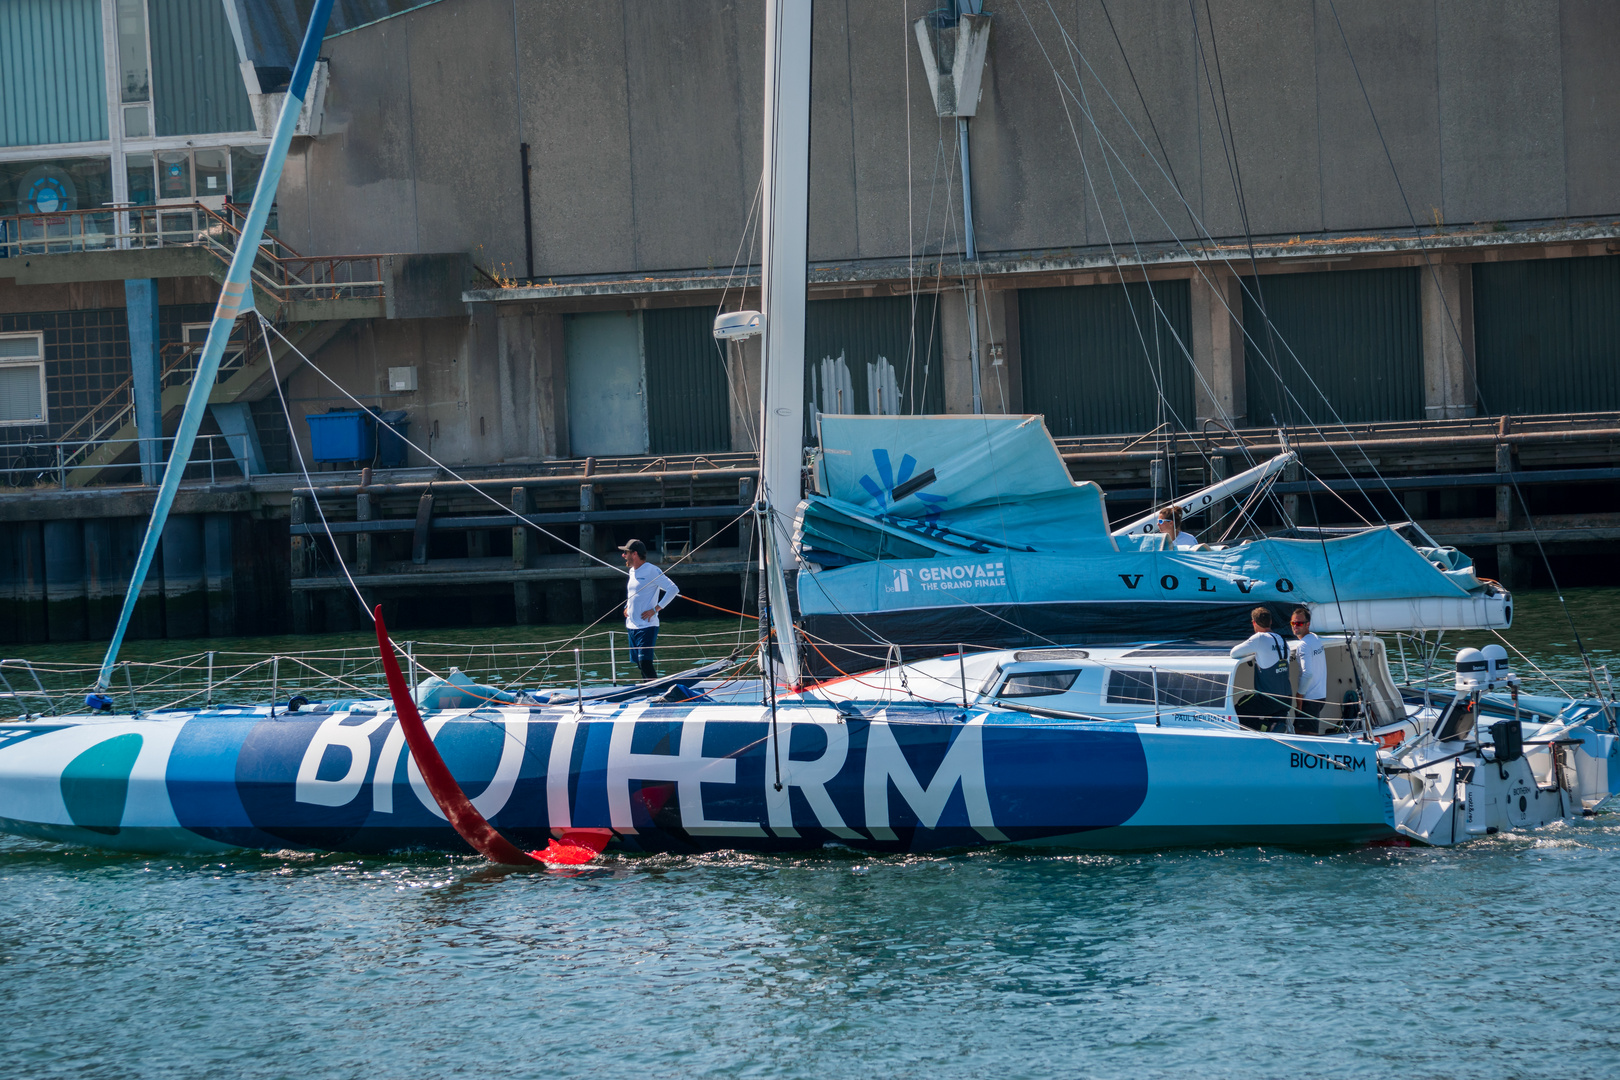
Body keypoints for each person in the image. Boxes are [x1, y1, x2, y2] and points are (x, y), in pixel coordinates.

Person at [620, 538, 680, 680]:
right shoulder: (632, 572)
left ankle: (656, 692)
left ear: (634, 554)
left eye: (625, 553)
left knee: (645, 662)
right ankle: (648, 692)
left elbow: (673, 589)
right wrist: (626, 606)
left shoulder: (652, 570)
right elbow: (633, 593)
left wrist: (656, 609)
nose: (623, 556)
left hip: (647, 625)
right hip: (632, 625)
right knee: (639, 664)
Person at [1230, 607, 1290, 731]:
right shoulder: (1282, 640)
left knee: (1239, 710)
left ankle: (1267, 728)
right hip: (1287, 698)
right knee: (1278, 731)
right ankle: (1274, 727)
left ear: (1254, 623)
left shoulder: (1260, 638)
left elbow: (1234, 653)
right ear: (1271, 621)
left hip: (1268, 699)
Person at [1289, 606, 1328, 735]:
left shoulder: (1303, 645)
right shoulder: (1315, 638)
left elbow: (1308, 673)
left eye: (1299, 623)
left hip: (1309, 699)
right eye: (1293, 623)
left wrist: (1299, 696)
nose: (1295, 626)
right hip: (1320, 696)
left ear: (1308, 624)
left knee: (1305, 734)